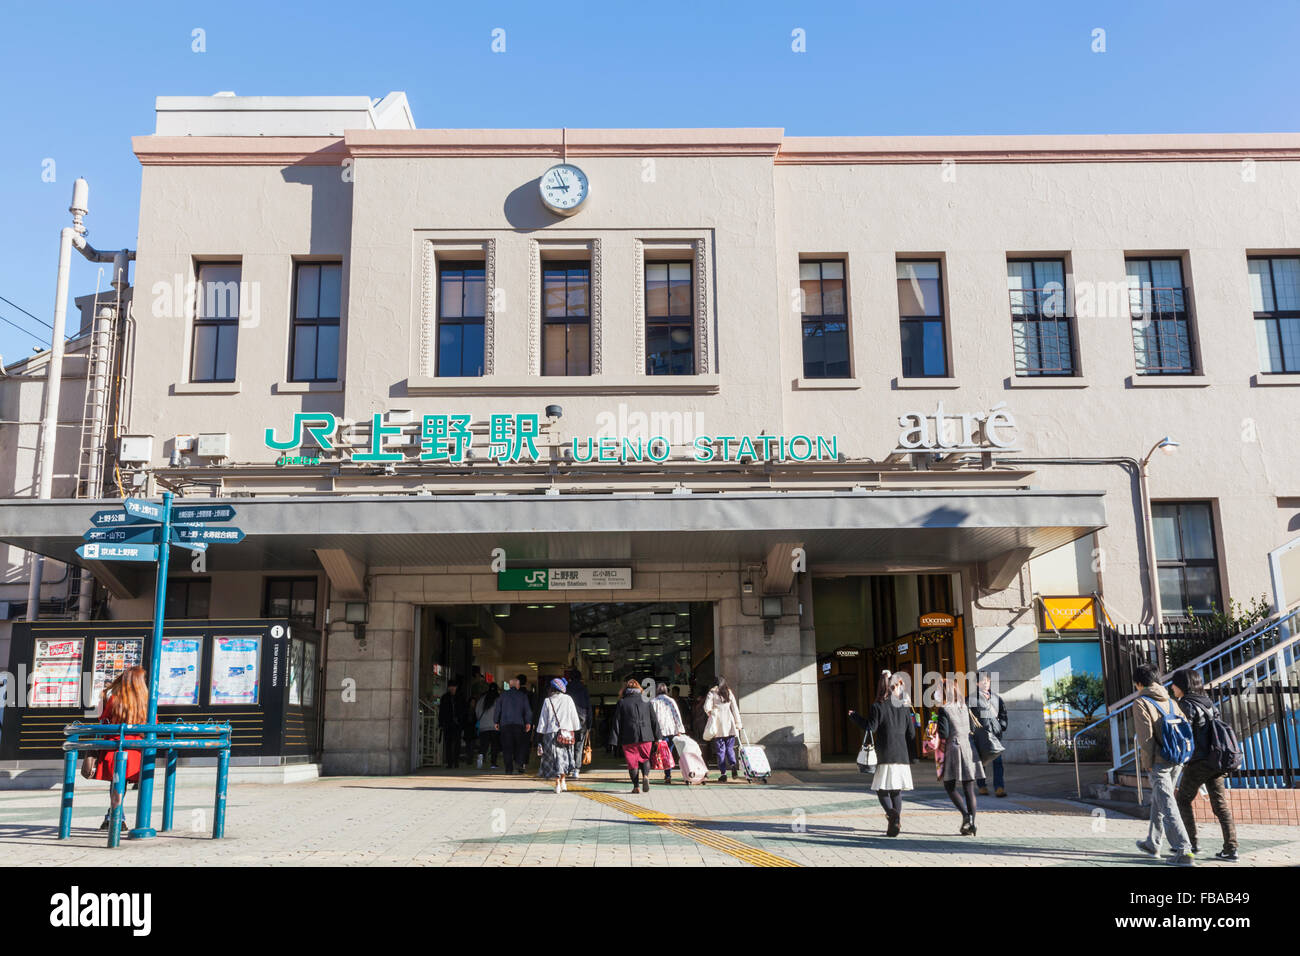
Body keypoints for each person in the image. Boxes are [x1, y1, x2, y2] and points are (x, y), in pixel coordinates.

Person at [1170, 668, 1238, 862]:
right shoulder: (1208, 702)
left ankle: (1190, 844)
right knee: (1220, 805)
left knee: (1182, 800)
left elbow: (1184, 735)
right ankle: (1231, 848)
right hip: (1216, 761)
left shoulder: (1185, 705)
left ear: (1182, 685)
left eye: (1174, 684)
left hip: (1198, 762)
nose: (1172, 687)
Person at [1132, 665, 1195, 866]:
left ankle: (1184, 851)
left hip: (1159, 761)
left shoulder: (1141, 701)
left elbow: (1145, 737)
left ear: (1139, 683)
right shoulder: (1170, 701)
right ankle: (1153, 842)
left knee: (1167, 804)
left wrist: (1147, 762)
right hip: (1177, 758)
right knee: (1161, 799)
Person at [849, 670, 916, 837]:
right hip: (901, 753)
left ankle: (892, 815)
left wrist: (855, 717)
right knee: (896, 791)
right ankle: (895, 821)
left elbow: (871, 728)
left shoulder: (878, 706)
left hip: (885, 752)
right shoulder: (904, 707)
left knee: (881, 789)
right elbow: (912, 733)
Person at [93, 666, 148, 830]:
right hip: (136, 749)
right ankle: (116, 815)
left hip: (114, 746)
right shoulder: (146, 702)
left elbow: (103, 720)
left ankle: (115, 816)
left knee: (117, 783)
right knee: (124, 783)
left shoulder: (115, 700)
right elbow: (153, 724)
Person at [936, 678, 981, 835]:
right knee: (969, 788)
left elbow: (944, 734)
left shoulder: (944, 709)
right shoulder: (964, 706)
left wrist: (935, 726)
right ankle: (972, 824)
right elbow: (973, 727)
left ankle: (965, 815)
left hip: (953, 749)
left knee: (949, 785)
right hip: (969, 748)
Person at [611, 678, 661, 793]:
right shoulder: (646, 701)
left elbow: (617, 722)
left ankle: (636, 787)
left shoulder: (622, 702)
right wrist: (658, 736)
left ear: (625, 690)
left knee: (632, 762)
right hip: (646, 736)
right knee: (645, 758)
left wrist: (614, 740)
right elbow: (654, 720)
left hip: (629, 737)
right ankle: (646, 776)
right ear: (639, 688)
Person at [536, 678, 582, 793]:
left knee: (555, 759)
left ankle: (557, 784)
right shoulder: (568, 699)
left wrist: (540, 734)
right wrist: (576, 729)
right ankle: (563, 781)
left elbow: (543, 720)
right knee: (565, 758)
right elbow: (574, 717)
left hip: (551, 734)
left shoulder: (548, 701)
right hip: (566, 733)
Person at [968, 671, 1009, 797]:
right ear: (977, 683)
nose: (985, 683)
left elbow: (1003, 713)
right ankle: (982, 786)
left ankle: (999, 787)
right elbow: (968, 716)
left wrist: (1001, 726)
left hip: (995, 735)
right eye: (982, 681)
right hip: (980, 736)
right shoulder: (972, 699)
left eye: (987, 681)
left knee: (997, 761)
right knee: (982, 762)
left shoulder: (996, 698)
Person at [703, 676, 743, 782]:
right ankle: (733, 765)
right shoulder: (728, 692)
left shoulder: (712, 692)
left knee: (721, 751)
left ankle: (723, 773)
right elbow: (735, 708)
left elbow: (706, 707)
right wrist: (738, 723)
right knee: (730, 748)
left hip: (718, 725)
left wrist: (711, 712)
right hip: (730, 724)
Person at [649, 682, 687, 784]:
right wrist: (679, 730)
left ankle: (648, 773)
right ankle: (668, 775)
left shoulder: (653, 702)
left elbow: (651, 718)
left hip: (659, 731)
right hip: (671, 730)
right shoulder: (671, 701)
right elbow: (676, 715)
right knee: (668, 753)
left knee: (655, 752)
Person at [495, 677, 533, 774]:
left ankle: (508, 768)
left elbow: (497, 709)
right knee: (519, 746)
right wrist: (528, 722)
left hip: (505, 725)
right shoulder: (523, 696)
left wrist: (496, 721)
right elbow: (528, 711)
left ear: (510, 685)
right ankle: (519, 764)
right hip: (519, 725)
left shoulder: (502, 695)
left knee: (507, 747)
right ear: (518, 686)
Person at [565, 669, 592, 779]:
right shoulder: (584, 689)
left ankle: (569, 767)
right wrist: (589, 724)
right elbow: (588, 707)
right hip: (582, 720)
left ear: (570, 678)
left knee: (568, 744)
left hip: (568, 721)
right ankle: (576, 769)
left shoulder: (566, 688)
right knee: (579, 745)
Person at [438, 680, 467, 769]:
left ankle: (456, 761)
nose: (452, 688)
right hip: (448, 723)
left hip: (457, 723)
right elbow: (441, 711)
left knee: (457, 743)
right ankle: (450, 762)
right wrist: (441, 722)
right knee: (448, 743)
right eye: (450, 686)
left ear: (456, 687)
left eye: (453, 686)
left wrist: (461, 721)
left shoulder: (461, 697)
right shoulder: (445, 697)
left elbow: (464, 710)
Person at [476, 683, 501, 769]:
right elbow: (500, 712)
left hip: (483, 726)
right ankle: (493, 763)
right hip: (495, 726)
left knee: (484, 745)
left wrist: (481, 720)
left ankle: (480, 757)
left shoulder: (482, 699)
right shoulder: (498, 699)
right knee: (494, 745)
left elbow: (477, 712)